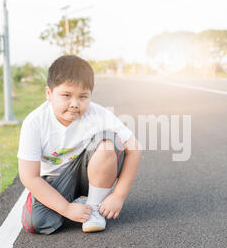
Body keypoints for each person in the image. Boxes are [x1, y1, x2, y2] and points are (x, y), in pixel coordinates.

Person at [17, 55, 141, 234]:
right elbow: (29, 177)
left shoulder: (97, 114)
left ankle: (93, 207)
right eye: (66, 95)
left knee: (107, 144)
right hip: (56, 181)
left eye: (83, 96)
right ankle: (76, 205)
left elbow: (134, 148)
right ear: (49, 94)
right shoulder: (34, 123)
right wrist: (66, 209)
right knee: (37, 222)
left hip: (87, 174)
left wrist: (118, 196)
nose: (74, 104)